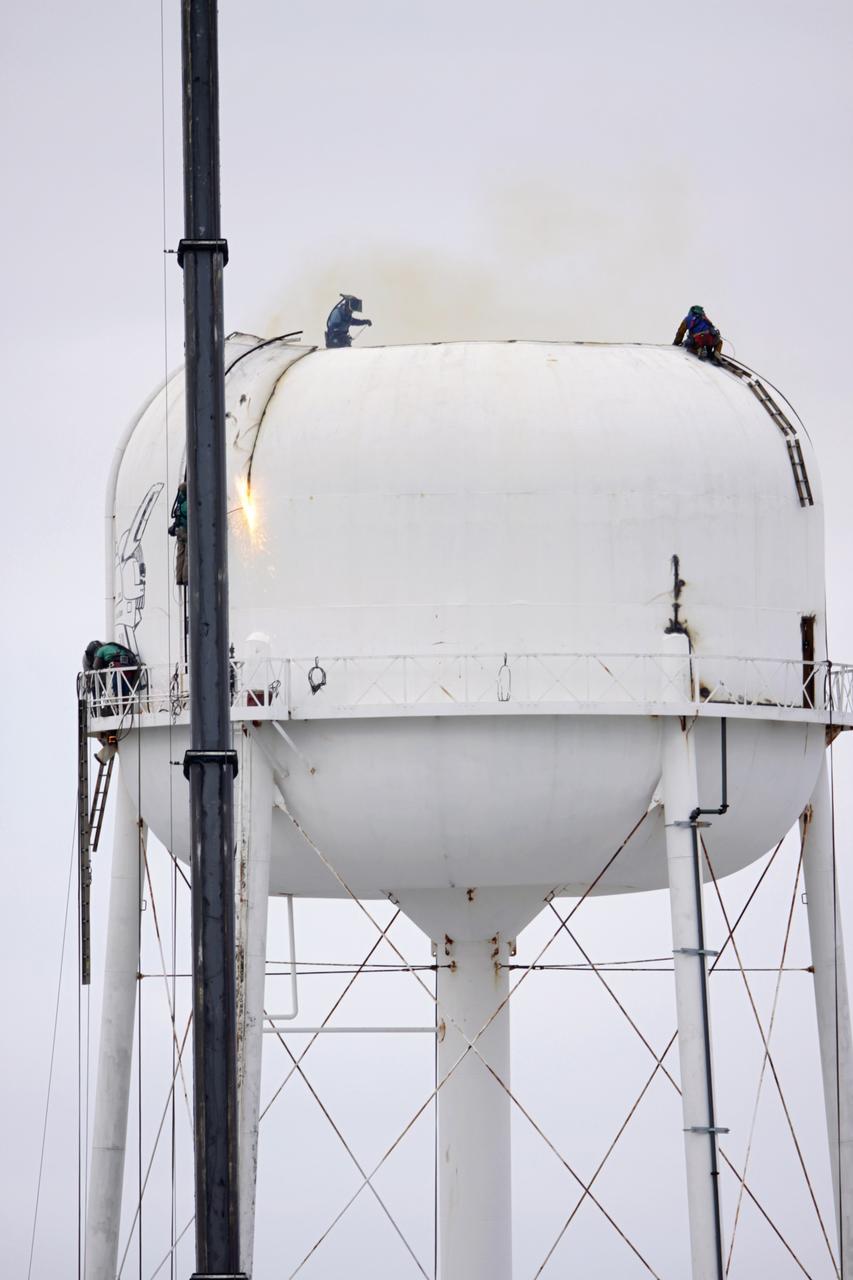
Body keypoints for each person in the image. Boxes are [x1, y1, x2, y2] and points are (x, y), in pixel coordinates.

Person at [83, 639, 141, 710]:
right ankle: (125, 706)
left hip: (117, 667)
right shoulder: (113, 646)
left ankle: (120, 708)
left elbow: (96, 667)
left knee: (116, 687)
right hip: (129, 666)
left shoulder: (100, 651)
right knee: (126, 688)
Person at [168, 480, 188, 585]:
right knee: (187, 554)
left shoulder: (179, 504)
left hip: (179, 531)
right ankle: (186, 578)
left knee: (180, 555)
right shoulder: (186, 504)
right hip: (186, 531)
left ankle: (179, 578)